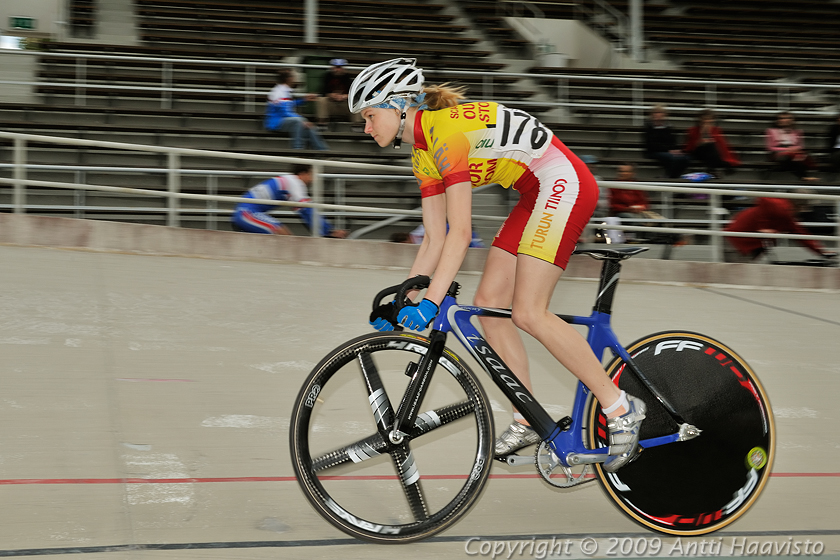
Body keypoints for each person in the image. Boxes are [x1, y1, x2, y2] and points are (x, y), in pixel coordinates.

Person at [352, 58, 646, 472]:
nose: (366, 128)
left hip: (563, 181)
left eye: (369, 115)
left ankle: (620, 406)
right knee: (490, 306)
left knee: (528, 312)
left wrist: (432, 301)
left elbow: (460, 233)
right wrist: (407, 296)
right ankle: (528, 418)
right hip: (534, 191)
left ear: (399, 104)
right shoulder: (422, 153)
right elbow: (433, 237)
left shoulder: (444, 135)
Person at [231, 164, 347, 238]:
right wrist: (329, 231)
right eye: (311, 175)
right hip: (247, 213)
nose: (313, 179)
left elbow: (305, 212)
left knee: (284, 234)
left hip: (246, 212)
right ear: (303, 174)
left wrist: (325, 230)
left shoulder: (289, 181)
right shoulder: (296, 183)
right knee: (283, 233)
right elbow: (307, 210)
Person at [723, 195, 836, 263]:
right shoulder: (780, 206)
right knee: (734, 272)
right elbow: (763, 199)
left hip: (748, 243)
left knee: (739, 271)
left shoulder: (788, 218)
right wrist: (764, 227)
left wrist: (821, 251)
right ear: (800, 206)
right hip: (737, 239)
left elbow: (802, 235)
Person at [264, 69, 329, 151]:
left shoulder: (283, 90)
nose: (295, 78)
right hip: (276, 122)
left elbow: (289, 104)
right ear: (289, 79)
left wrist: (304, 99)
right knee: (298, 122)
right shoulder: (279, 92)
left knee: (309, 127)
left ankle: (322, 150)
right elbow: (285, 112)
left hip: (282, 119)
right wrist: (302, 120)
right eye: (293, 76)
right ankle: (297, 149)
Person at [685, 109, 740, 176]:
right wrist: (703, 133)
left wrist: (709, 137)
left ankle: (712, 169)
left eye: (710, 119)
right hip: (697, 152)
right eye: (705, 119)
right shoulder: (693, 130)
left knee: (711, 145)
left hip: (712, 153)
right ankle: (720, 166)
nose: (707, 121)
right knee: (709, 145)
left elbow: (721, 145)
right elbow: (692, 146)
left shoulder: (716, 130)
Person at [643, 104, 690, 179]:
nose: (658, 115)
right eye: (656, 112)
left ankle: (673, 176)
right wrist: (668, 150)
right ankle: (671, 177)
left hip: (667, 151)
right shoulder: (648, 128)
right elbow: (651, 145)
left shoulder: (669, 127)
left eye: (660, 112)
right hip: (653, 151)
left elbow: (673, 142)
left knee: (686, 158)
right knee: (672, 158)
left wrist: (674, 150)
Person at [765, 112, 816, 181]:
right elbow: (770, 147)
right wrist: (786, 150)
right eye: (781, 118)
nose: (785, 120)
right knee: (788, 157)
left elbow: (800, 146)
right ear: (777, 120)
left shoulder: (798, 132)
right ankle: (803, 176)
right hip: (778, 151)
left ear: (792, 120)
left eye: (788, 118)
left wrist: (793, 149)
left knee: (799, 156)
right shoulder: (771, 131)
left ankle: (802, 176)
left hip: (793, 151)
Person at [316, 58, 361, 130]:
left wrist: (345, 96)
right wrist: (331, 95)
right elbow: (321, 92)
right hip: (331, 105)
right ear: (332, 68)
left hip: (345, 105)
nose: (338, 69)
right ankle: (322, 123)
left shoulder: (349, 78)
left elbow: (355, 93)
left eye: (340, 67)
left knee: (356, 101)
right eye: (336, 67)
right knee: (321, 100)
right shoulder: (326, 77)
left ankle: (357, 125)